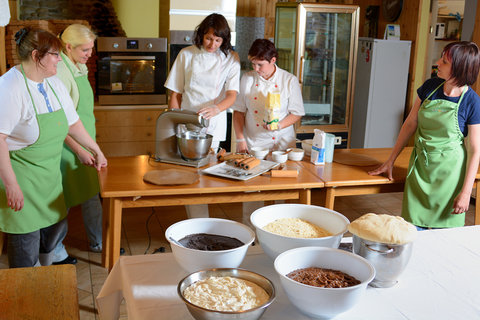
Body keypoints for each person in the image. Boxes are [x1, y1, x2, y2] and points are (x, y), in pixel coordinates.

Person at [0, 27, 107, 268]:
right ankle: (26, 289)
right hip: (22, 177)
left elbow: (74, 124)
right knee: (26, 240)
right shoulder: (9, 88)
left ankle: (46, 277)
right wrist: (11, 184)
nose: (60, 60)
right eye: (55, 55)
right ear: (37, 56)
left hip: (49, 176)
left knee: (55, 230)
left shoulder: (53, 83)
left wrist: (95, 150)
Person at [369, 41, 480, 230]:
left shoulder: (472, 102)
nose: (437, 62)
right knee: (411, 232)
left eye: (444, 62)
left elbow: (475, 149)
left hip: (450, 177)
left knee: (444, 240)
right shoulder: (430, 87)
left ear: (459, 69)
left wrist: (465, 192)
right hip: (420, 170)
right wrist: (390, 160)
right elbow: (410, 124)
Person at [164, 13, 240, 218]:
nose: (212, 44)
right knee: (190, 174)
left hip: (214, 122)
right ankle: (197, 221)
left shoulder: (231, 58)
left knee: (208, 172)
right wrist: (174, 122)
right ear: (201, 34)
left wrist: (217, 108)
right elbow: (175, 93)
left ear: (224, 40)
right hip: (187, 121)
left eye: (218, 40)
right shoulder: (186, 55)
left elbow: (232, 94)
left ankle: (206, 222)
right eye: (208, 38)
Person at [232, 39, 305, 227]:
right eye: (253, 63)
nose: (256, 68)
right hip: (253, 141)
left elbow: (296, 113)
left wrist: (278, 125)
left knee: (280, 189)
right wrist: (240, 139)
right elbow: (239, 112)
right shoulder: (247, 79)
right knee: (251, 189)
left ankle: (276, 228)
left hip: (282, 143)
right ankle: (250, 231)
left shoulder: (288, 80)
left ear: (273, 60)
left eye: (260, 64)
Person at [49, 24, 102, 265]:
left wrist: (90, 146)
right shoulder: (59, 70)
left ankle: (99, 241)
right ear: (68, 47)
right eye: (85, 50)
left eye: (91, 49)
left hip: (84, 141)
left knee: (92, 193)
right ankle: (54, 251)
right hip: (67, 148)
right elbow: (61, 122)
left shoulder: (76, 65)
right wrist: (80, 149)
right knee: (64, 200)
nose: (89, 54)